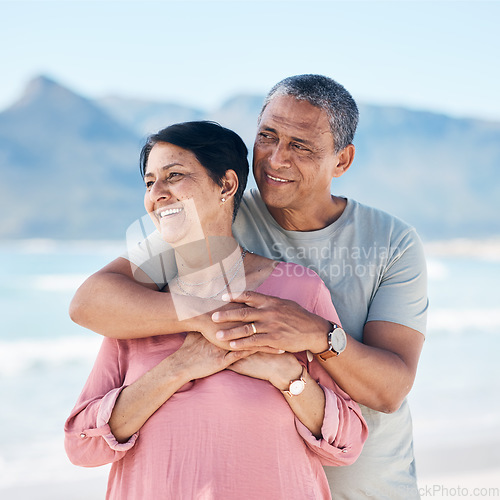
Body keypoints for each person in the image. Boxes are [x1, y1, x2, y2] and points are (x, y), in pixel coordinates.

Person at [70, 75, 428, 499]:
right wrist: (206, 321)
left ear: (342, 161)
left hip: (366, 483)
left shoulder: (391, 243)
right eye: (268, 137)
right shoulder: (208, 218)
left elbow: (389, 390)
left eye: (301, 146)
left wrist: (314, 335)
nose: (276, 159)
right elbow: (92, 301)